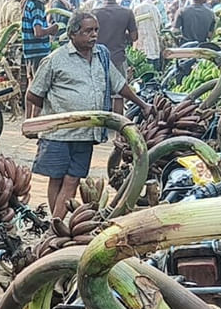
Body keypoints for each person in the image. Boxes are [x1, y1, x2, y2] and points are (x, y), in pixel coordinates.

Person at [27, 12, 150, 220]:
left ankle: (56, 225)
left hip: (86, 132)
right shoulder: (56, 59)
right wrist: (43, 119)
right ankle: (56, 224)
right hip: (59, 133)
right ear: (73, 34)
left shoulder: (101, 56)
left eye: (95, 30)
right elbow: (34, 94)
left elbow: (119, 84)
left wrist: (143, 104)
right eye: (87, 31)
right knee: (56, 178)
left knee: (73, 179)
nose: (93, 35)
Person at [94, 0, 137, 87]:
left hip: (97, 59)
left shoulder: (94, 13)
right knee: (119, 94)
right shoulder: (127, 13)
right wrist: (122, 33)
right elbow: (134, 37)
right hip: (118, 59)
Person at [21, 0, 58, 89]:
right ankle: (34, 109)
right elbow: (38, 31)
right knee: (38, 87)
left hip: (30, 51)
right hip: (38, 51)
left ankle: (28, 109)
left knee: (31, 84)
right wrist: (51, 29)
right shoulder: (37, 3)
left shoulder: (29, 1)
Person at [134, 0, 163, 72]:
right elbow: (160, 26)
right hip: (154, 48)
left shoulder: (138, 8)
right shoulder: (156, 9)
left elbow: (133, 27)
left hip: (141, 50)